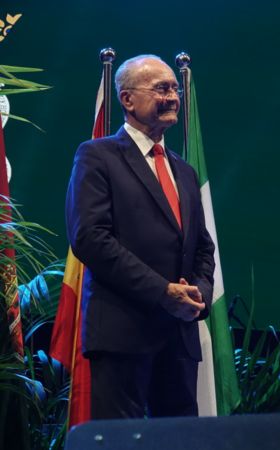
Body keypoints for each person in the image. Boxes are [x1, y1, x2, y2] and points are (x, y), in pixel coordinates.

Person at [66, 55, 216, 419]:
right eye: (161, 88)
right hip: (122, 334)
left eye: (174, 89)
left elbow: (203, 248)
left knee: (181, 443)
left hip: (178, 336)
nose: (172, 97)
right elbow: (90, 238)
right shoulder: (97, 156)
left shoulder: (184, 170)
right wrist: (162, 292)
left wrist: (197, 296)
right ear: (127, 100)